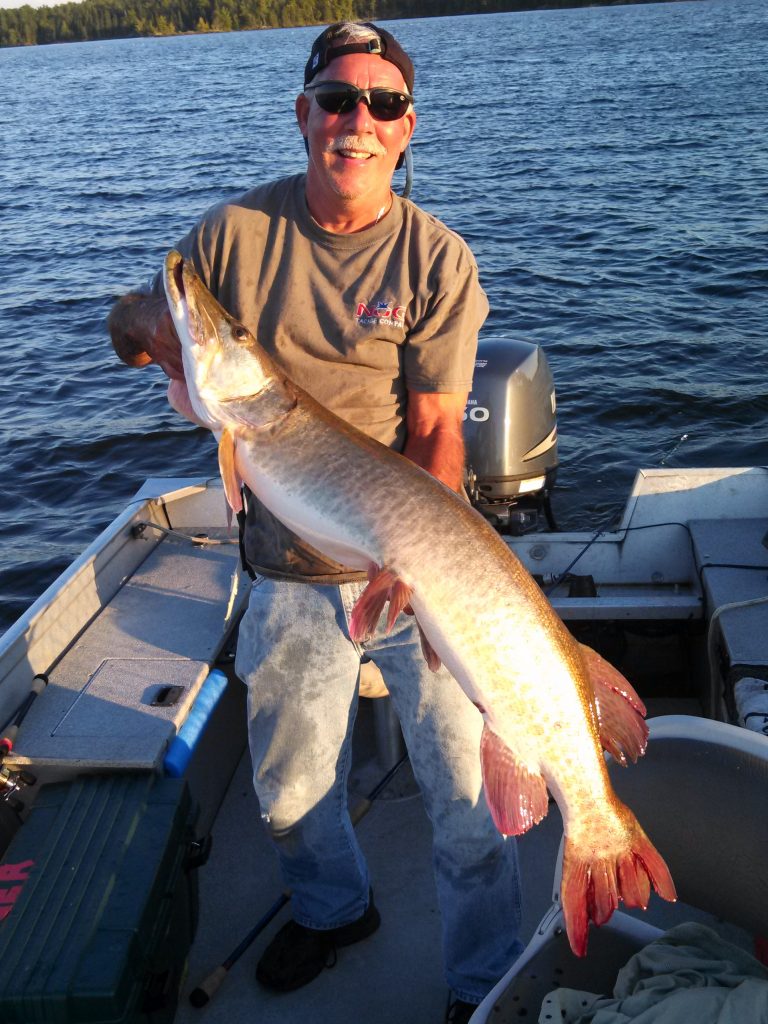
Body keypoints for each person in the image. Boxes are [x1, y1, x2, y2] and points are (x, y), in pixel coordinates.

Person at [108, 22, 523, 1023]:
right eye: (337, 100)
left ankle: (486, 980)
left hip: (418, 564)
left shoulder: (436, 259)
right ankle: (335, 910)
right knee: (289, 792)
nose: (357, 120)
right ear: (304, 115)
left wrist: (409, 554)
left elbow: (439, 429)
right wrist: (156, 331)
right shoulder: (231, 237)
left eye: (383, 104)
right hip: (290, 564)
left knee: (468, 802)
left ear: (406, 128)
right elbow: (131, 321)